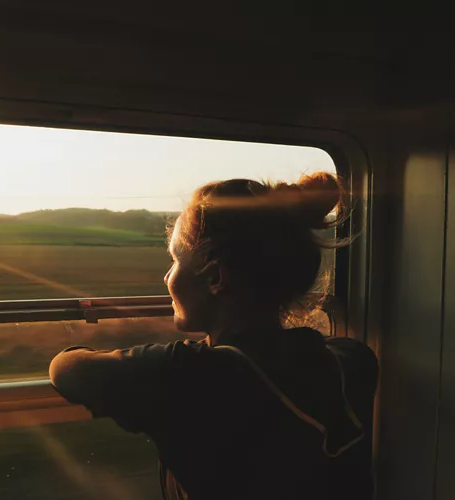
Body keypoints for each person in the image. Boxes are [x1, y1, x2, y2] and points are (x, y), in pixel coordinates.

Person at [48, 172, 378, 500]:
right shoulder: (352, 359)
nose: (166, 277)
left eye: (176, 260)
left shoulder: (190, 375)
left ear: (216, 277)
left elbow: (67, 369)